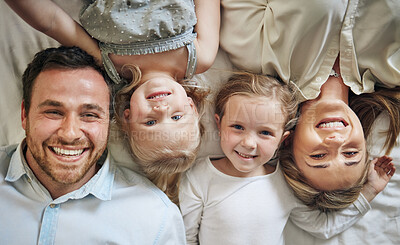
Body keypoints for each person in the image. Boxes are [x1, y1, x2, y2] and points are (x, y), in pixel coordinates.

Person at [5, 0, 219, 204]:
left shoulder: (108, 65)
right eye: (176, 116)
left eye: (150, 122)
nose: (161, 108)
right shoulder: (200, 56)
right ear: (192, 105)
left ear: (127, 115)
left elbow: (51, 21)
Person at [219, 0, 400, 211]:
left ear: (287, 142)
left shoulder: (255, 54)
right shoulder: (394, 69)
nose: (335, 141)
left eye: (318, 156)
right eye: (351, 154)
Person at [179, 72, 395, 245]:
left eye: (265, 133)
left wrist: (370, 190)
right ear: (219, 124)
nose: (248, 143)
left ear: (283, 140)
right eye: (237, 127)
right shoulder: (200, 176)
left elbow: (323, 227)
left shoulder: (282, 182)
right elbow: (185, 237)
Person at [0, 46, 186, 244]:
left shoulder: (155, 218)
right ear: (24, 115)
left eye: (89, 115)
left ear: (109, 123)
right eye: (54, 112)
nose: (70, 134)